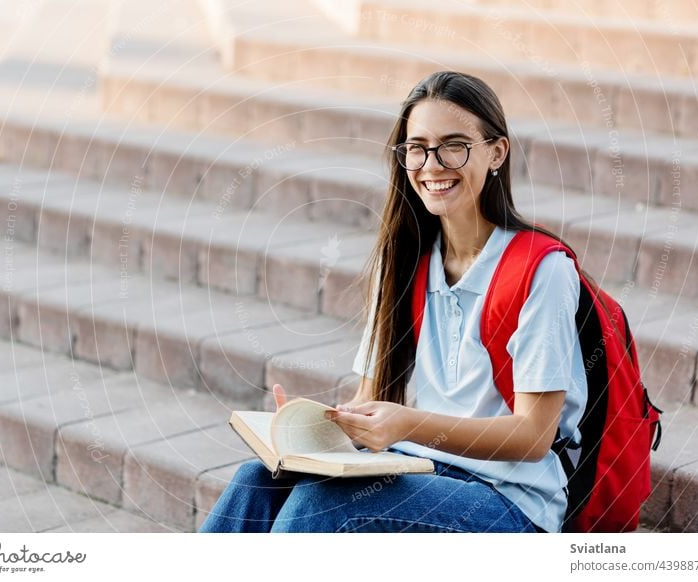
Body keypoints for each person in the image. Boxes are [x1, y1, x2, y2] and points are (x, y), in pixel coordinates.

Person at [199, 70, 589, 533]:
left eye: (454, 145)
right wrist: (316, 426)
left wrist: (407, 425)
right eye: (418, 147)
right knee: (256, 481)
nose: (432, 164)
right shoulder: (403, 262)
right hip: (412, 469)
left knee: (319, 507)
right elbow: (371, 399)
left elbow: (533, 436)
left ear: (496, 152)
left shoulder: (540, 271)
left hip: (508, 502)